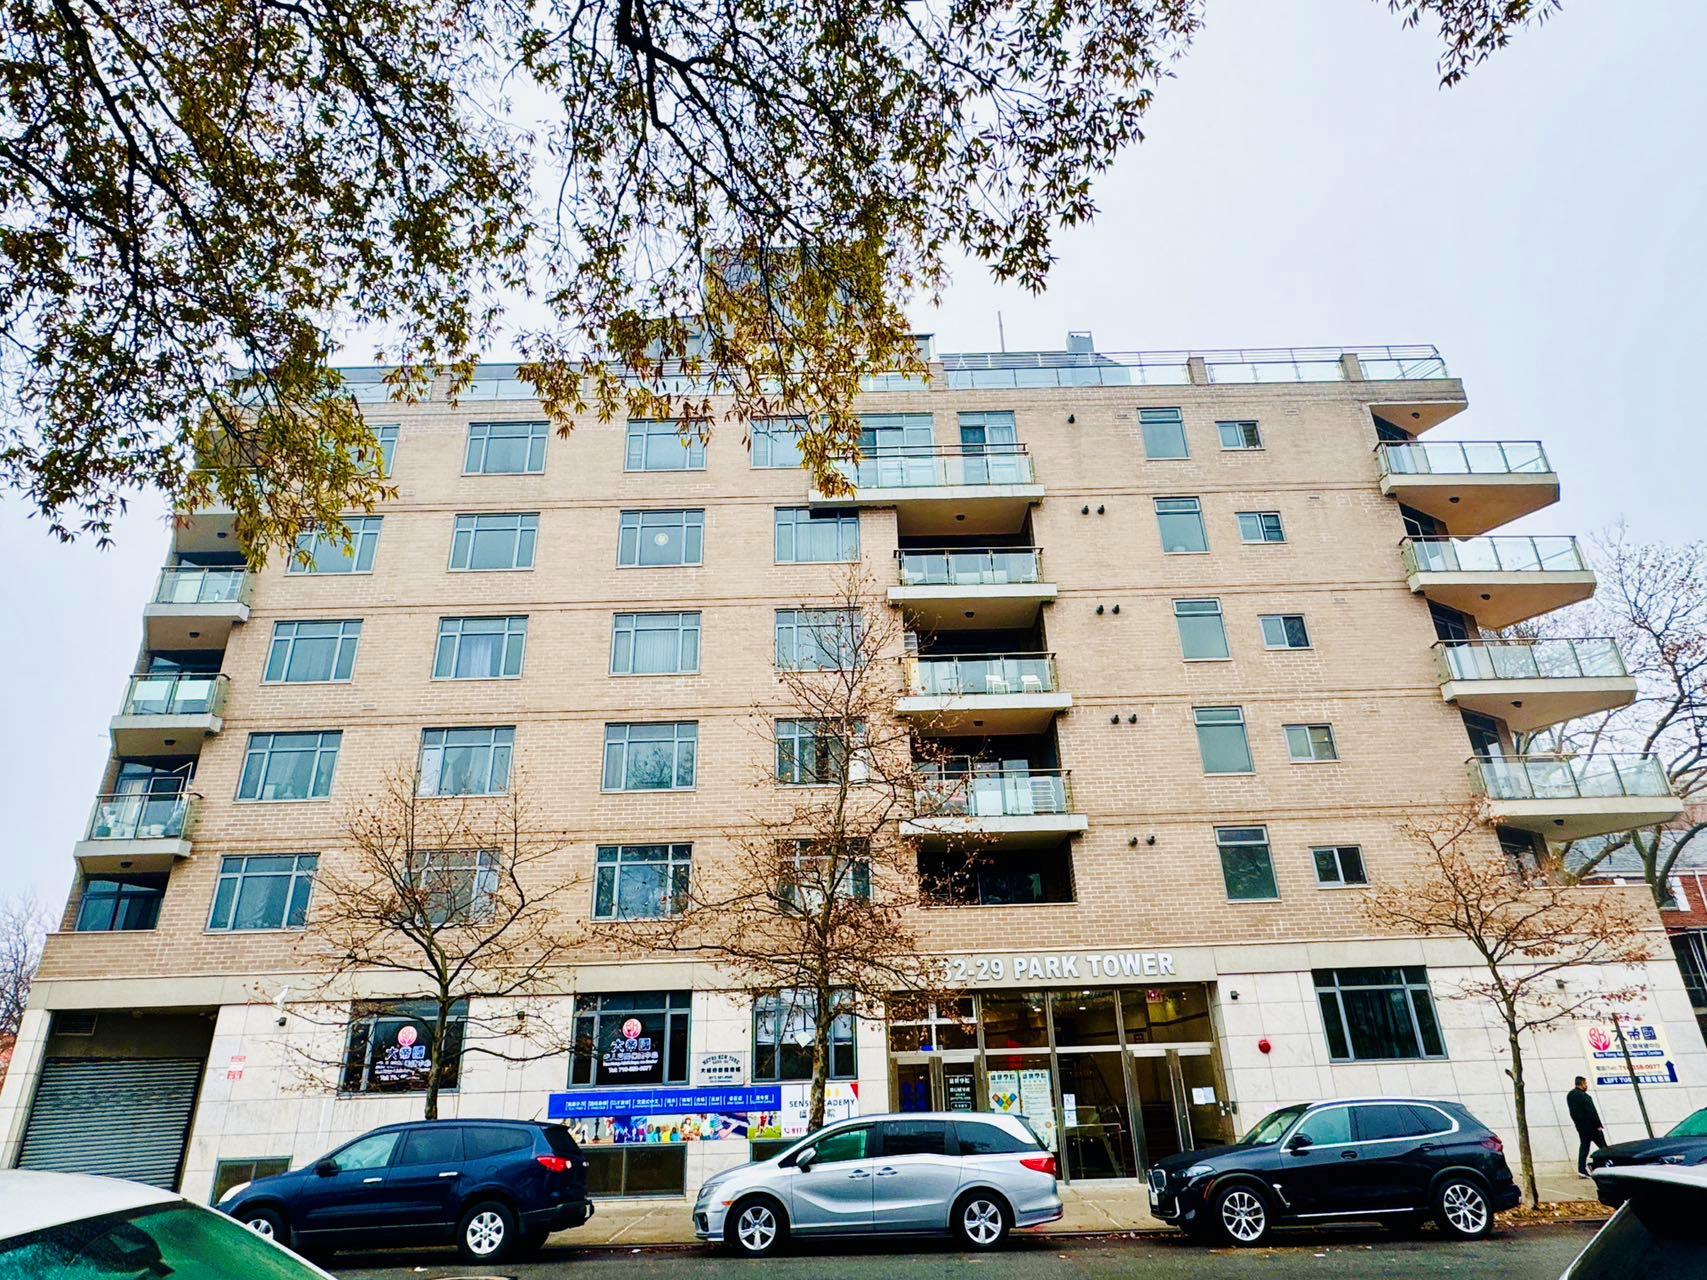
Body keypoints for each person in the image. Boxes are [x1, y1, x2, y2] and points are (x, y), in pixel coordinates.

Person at [1567, 1076, 1608, 1176]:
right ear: (1581, 1084)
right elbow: (1592, 1112)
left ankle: (1581, 1169)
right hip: (1592, 1127)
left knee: (1584, 1148)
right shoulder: (1585, 1096)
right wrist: (1598, 1124)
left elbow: (1572, 1113)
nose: (1587, 1086)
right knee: (1604, 1148)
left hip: (1581, 1127)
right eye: (1586, 1083)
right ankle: (1601, 1165)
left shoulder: (1570, 1095)